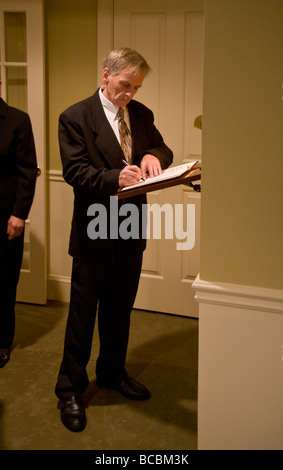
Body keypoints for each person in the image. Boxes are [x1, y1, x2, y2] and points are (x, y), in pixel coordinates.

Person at [55, 48, 173, 432]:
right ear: (106, 75)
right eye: (125, 85)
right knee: (82, 315)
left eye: (136, 88)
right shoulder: (75, 116)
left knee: (120, 310)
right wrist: (114, 179)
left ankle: (111, 373)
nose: (130, 95)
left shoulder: (140, 115)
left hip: (130, 228)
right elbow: (75, 172)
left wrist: (155, 156)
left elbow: (163, 148)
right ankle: (70, 390)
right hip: (94, 229)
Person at [0, 82, 37, 368]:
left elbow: (27, 171)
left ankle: (2, 341)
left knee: (3, 281)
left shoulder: (17, 120)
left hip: (5, 216)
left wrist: (19, 214)